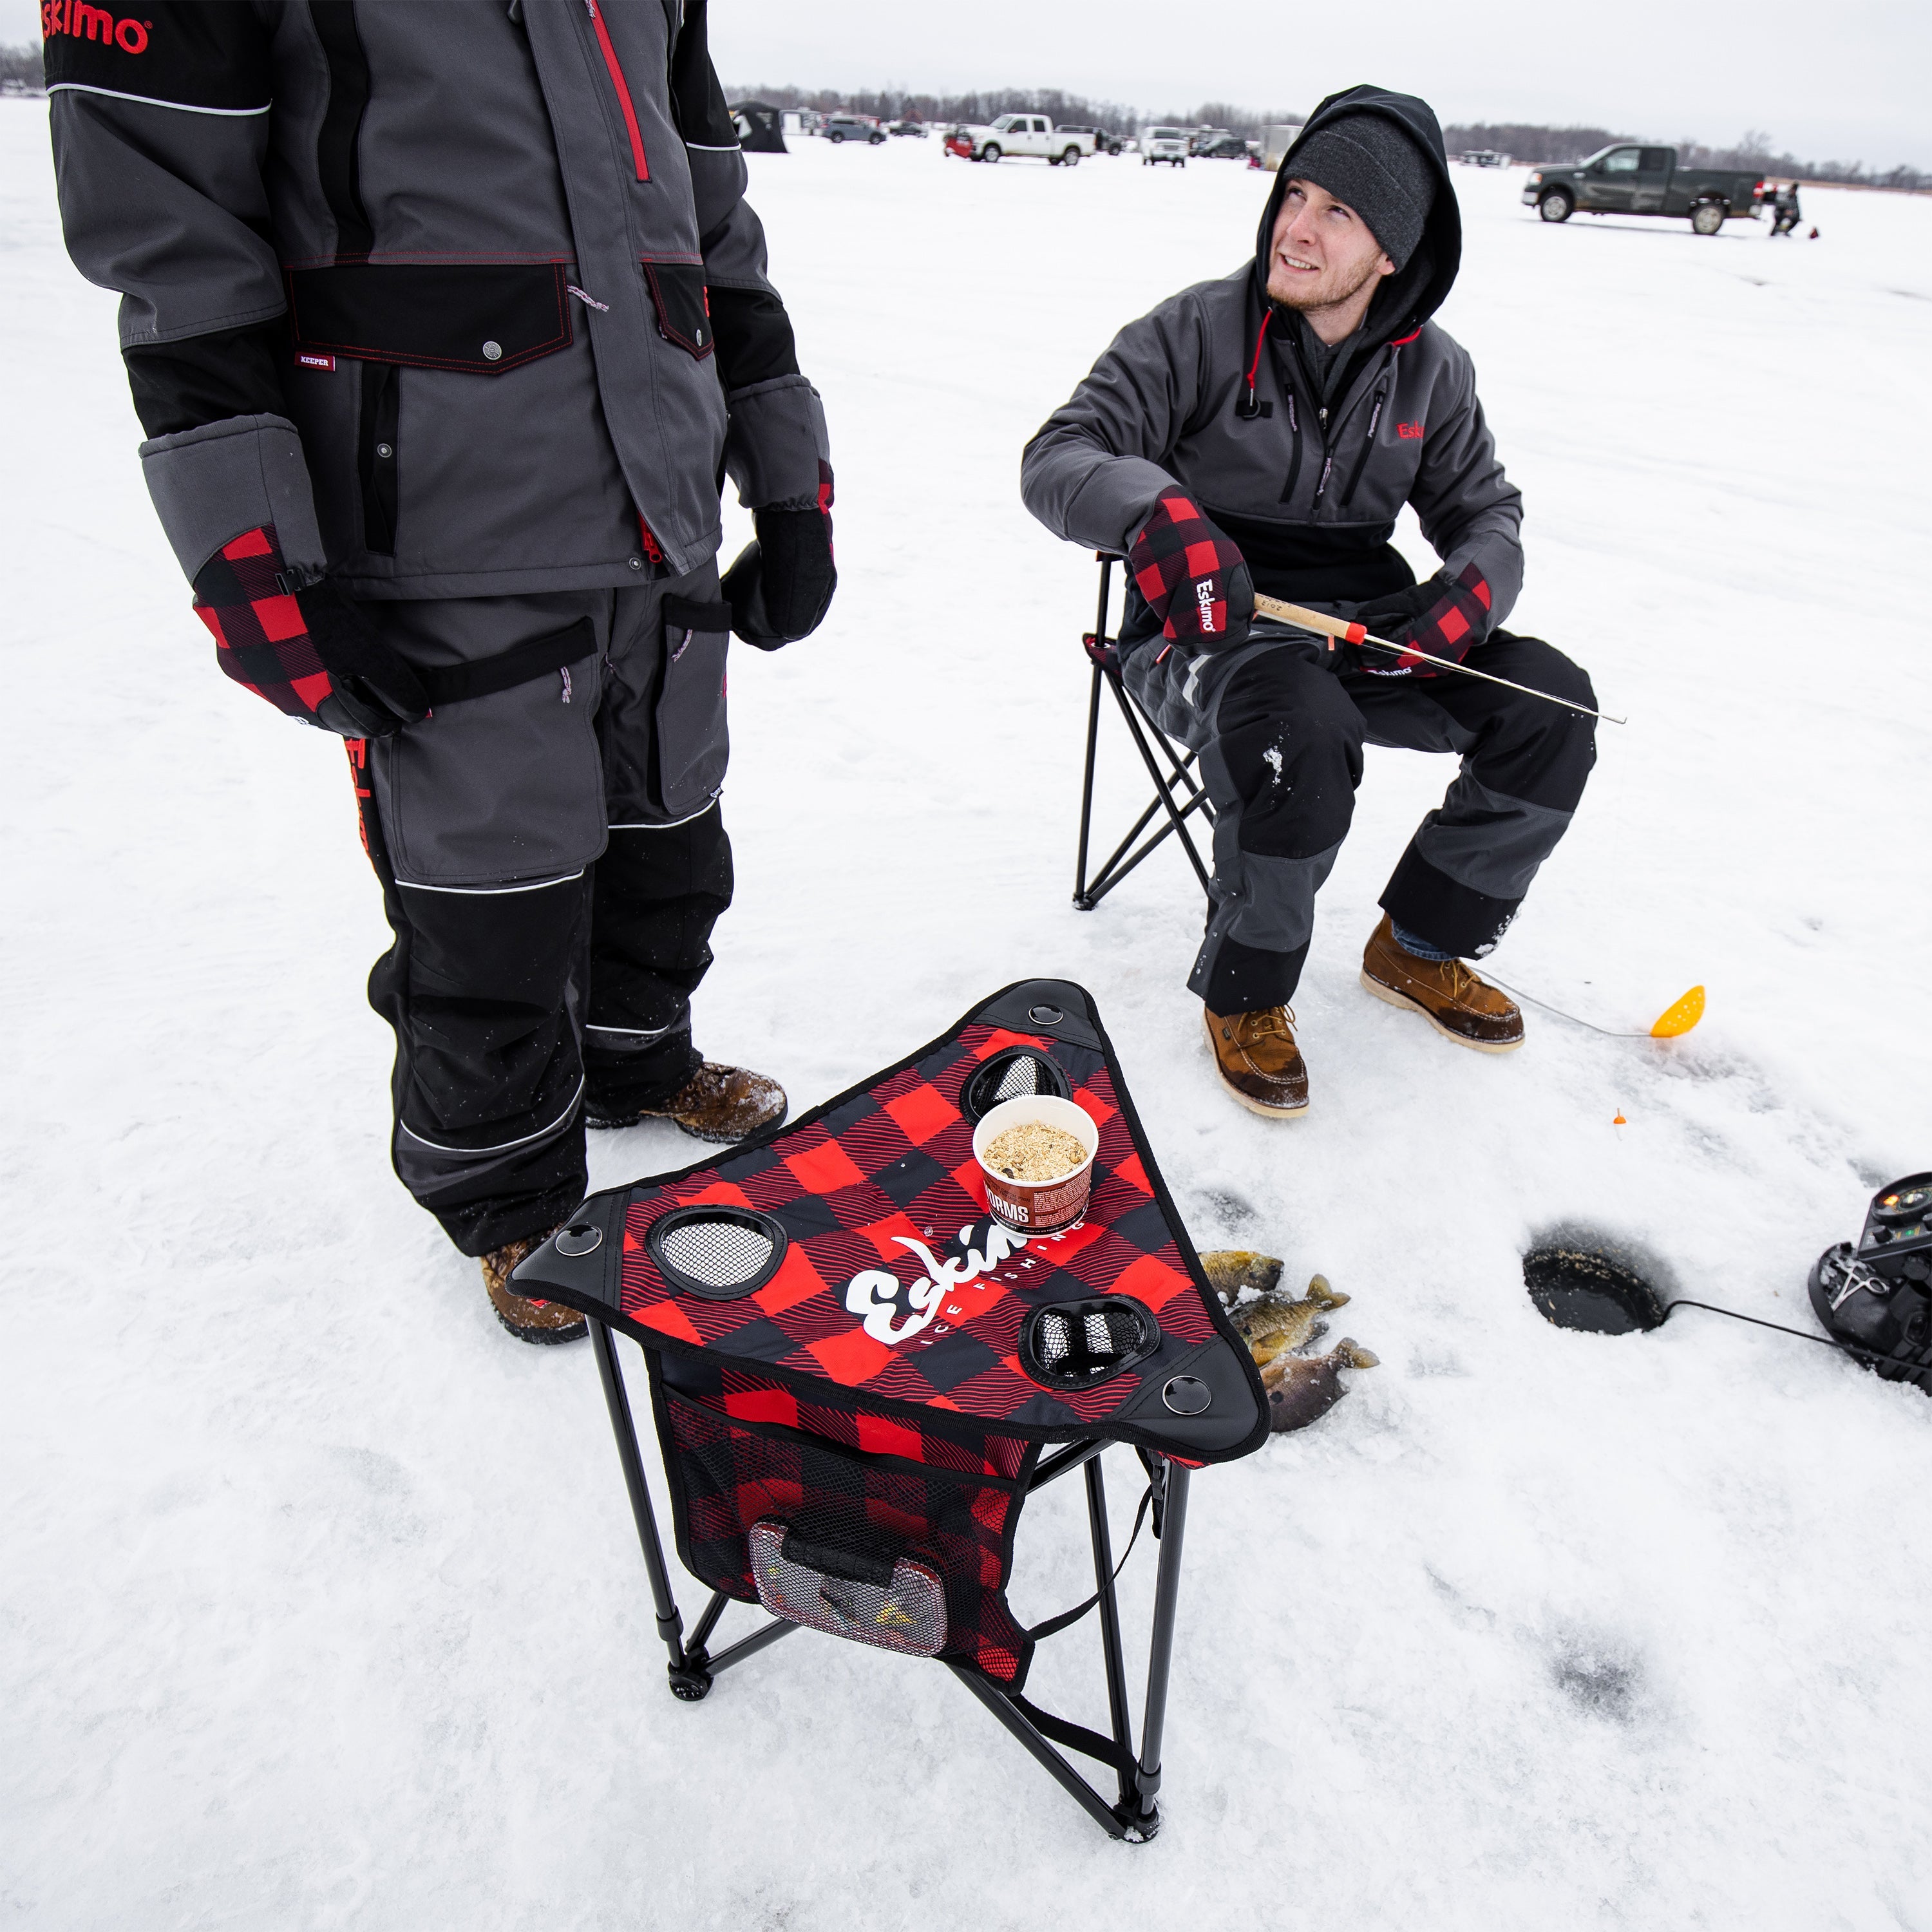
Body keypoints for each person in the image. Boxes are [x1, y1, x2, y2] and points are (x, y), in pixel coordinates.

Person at [43, 0, 835, 1338]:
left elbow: (716, 222)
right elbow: (175, 241)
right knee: (490, 904)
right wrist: (259, 560)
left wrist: (791, 481)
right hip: (437, 523)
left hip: (660, 511)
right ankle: (507, 1188)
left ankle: (636, 1064)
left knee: (670, 840)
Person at [1023, 86, 1595, 1119]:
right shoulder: (1194, 330)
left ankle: (1420, 943)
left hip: (1368, 627)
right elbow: (1060, 456)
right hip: (1202, 630)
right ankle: (1247, 991)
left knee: (1550, 706)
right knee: (1299, 727)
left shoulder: (1434, 369)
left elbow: (1487, 512)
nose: (1296, 227)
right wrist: (1155, 512)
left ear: (1393, 253)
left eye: (1338, 212)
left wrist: (1469, 595)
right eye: (1296, 194)